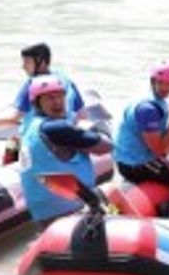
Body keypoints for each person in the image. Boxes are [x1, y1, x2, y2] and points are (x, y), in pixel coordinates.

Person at [114, 61, 169, 218]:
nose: (165, 88)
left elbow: (163, 138)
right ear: (152, 81)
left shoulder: (151, 99)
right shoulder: (148, 109)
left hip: (132, 155)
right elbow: (159, 149)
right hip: (135, 165)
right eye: (160, 83)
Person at [20, 75, 113, 227]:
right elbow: (107, 147)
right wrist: (98, 128)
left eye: (60, 96)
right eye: (50, 98)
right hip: (69, 209)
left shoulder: (29, 126)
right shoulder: (57, 128)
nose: (57, 102)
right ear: (37, 103)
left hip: (43, 212)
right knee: (114, 195)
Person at [0, 42, 86, 138]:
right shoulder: (65, 79)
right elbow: (82, 115)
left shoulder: (33, 85)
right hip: (65, 134)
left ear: (41, 63)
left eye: (27, 62)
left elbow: (13, 119)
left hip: (41, 140)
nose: (23, 67)